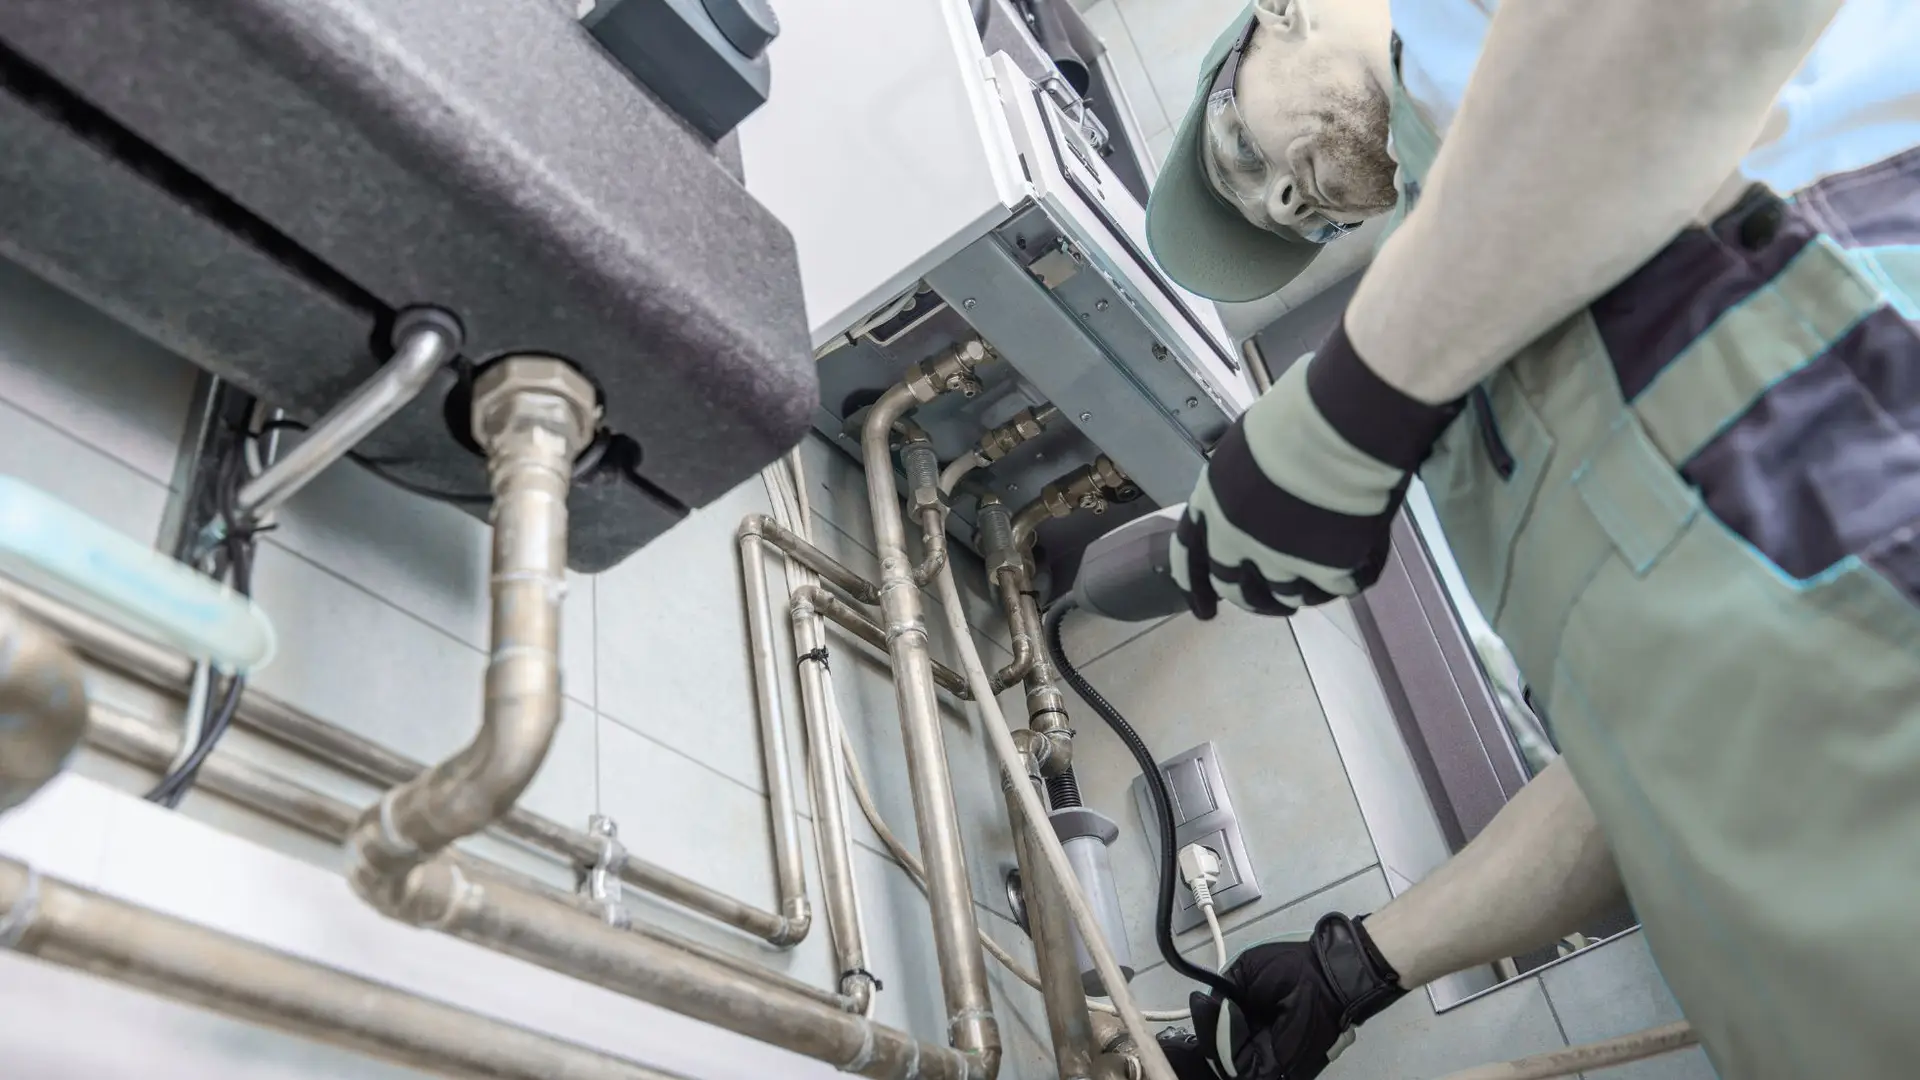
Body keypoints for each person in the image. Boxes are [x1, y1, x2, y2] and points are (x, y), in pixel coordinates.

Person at [1138, 0, 1920, 1076]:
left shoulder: (1478, 57)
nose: (1282, 198)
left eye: (1238, 148)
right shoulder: (1506, 355)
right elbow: (1658, 754)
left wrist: (1355, 403)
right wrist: (1358, 964)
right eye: (1298, 225)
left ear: (1284, 12)